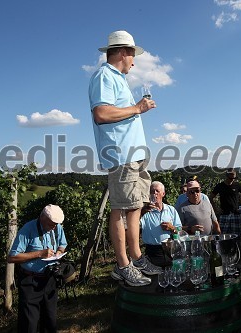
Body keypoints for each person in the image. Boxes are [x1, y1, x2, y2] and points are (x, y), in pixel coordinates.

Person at [88, 30, 160, 286]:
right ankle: (123, 265)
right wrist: (138, 108)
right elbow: (101, 113)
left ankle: (137, 257)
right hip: (120, 153)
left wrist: (136, 110)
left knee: (135, 206)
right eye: (132, 55)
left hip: (135, 154)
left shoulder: (119, 79)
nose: (134, 61)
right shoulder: (103, 76)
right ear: (123, 53)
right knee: (119, 209)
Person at [8, 204, 68, 333]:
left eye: (56, 224)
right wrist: (39, 253)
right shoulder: (28, 229)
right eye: (51, 224)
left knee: (50, 319)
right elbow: (12, 258)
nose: (54, 227)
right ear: (42, 218)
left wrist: (59, 252)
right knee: (29, 322)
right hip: (31, 281)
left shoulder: (57, 227)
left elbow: (62, 244)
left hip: (50, 279)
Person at [140, 181, 182, 267]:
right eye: (152, 191)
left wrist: (172, 228)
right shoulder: (145, 212)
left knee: (171, 276)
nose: (154, 193)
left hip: (170, 250)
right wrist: (142, 212)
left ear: (163, 194)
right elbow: (135, 227)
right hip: (153, 252)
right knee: (156, 278)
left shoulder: (171, 210)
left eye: (157, 191)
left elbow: (180, 230)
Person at [210, 168, 241, 236]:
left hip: (235, 213)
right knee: (223, 236)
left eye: (234, 178)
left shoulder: (238, 185)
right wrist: (216, 209)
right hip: (224, 214)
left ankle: (235, 246)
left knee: (236, 236)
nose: (232, 180)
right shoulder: (220, 186)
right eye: (231, 178)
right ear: (226, 176)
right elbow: (211, 197)